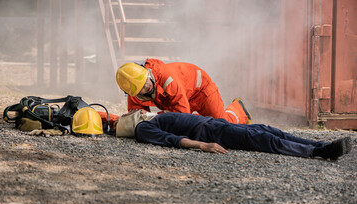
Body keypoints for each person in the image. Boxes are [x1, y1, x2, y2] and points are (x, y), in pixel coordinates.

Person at [115, 110, 352, 160]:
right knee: (264, 140)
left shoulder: (152, 118)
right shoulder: (142, 128)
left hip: (216, 124)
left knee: (270, 130)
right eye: (126, 115)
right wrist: (203, 146)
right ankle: (318, 152)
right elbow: (172, 140)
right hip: (211, 132)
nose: (129, 111)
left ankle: (320, 143)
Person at [115, 59, 252, 124]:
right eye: (142, 89)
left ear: (147, 74)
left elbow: (183, 115)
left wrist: (151, 115)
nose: (147, 88)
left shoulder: (167, 77)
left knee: (223, 124)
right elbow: (137, 119)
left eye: (147, 83)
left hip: (201, 91)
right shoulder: (135, 88)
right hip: (181, 97)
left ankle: (238, 109)